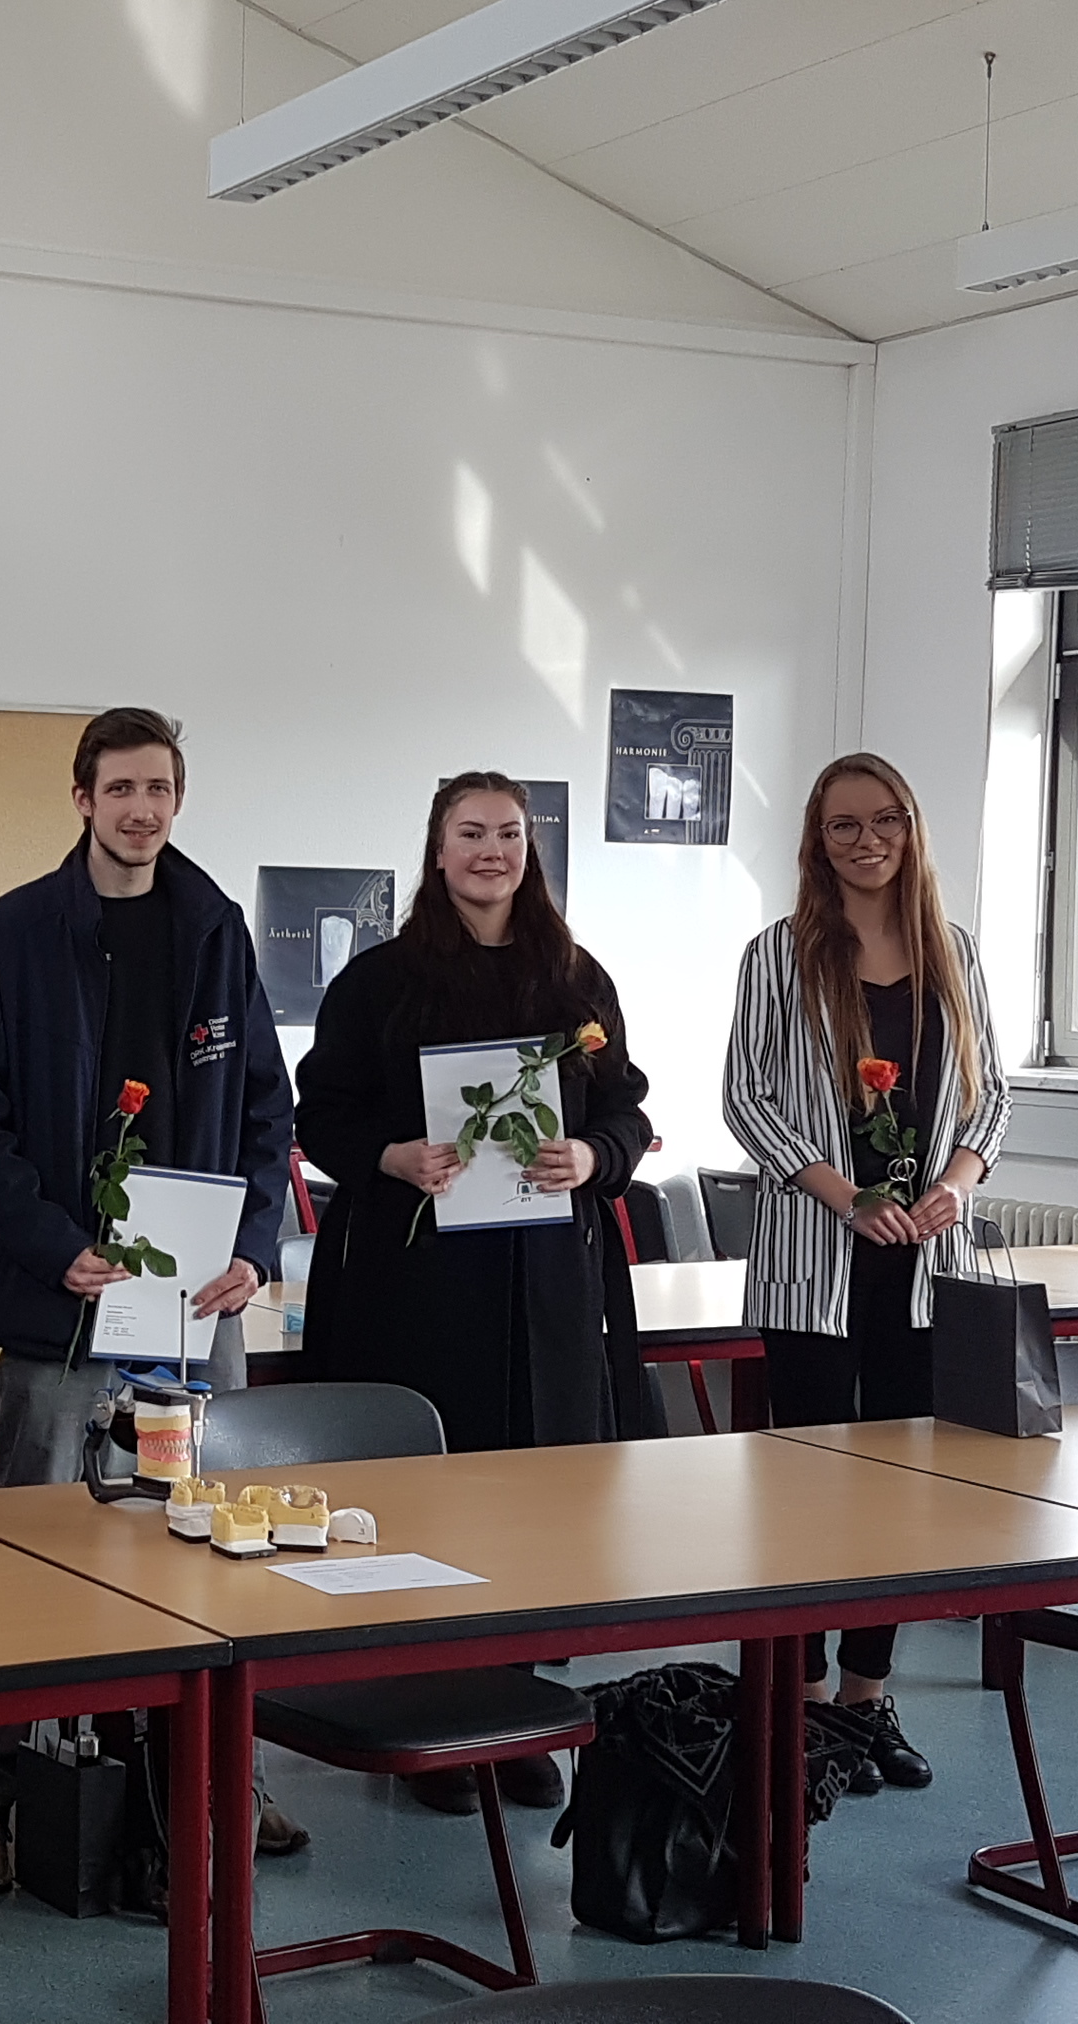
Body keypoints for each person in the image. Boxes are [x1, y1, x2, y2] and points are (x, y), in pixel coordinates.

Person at [0, 706, 297, 1892]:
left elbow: (266, 1112)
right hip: (62, 1305)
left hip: (196, 1310)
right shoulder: (15, 931)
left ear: (177, 801)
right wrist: (54, 1249)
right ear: (83, 798)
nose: (142, 810)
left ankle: (217, 1775)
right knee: (32, 1548)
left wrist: (254, 1247)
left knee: (206, 1544)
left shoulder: (215, 928)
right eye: (121, 788)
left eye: (160, 789)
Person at [291, 769, 657, 1813]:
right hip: (420, 1281)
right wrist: (392, 1156)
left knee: (536, 1497)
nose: (492, 851)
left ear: (527, 850)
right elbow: (322, 1116)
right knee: (433, 1490)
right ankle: (426, 1709)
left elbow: (627, 1109)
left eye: (508, 834)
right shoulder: (380, 982)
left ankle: (514, 1703)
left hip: (543, 1284)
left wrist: (593, 1156)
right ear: (438, 850)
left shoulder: (576, 979)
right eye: (471, 833)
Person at [724, 752, 1008, 1795]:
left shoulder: (953, 954)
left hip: (925, 1264)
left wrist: (957, 1186)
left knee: (899, 1496)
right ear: (818, 839)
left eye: (885, 820)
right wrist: (846, 1197)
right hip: (818, 1257)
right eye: (844, 825)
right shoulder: (778, 955)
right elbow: (746, 1099)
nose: (867, 840)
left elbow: (991, 1096)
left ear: (910, 829)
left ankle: (864, 1698)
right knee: (806, 1491)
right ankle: (800, 1703)